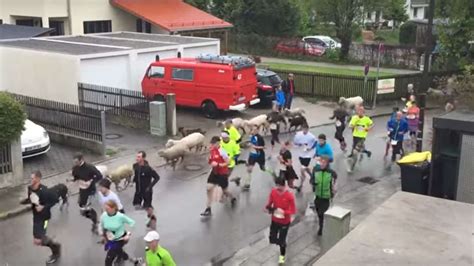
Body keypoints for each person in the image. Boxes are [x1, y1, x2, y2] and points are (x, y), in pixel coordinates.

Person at [20, 171, 61, 264]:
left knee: (39, 239)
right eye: (30, 178)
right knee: (37, 241)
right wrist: (24, 202)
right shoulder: (30, 188)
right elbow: (30, 198)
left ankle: (56, 251)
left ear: (38, 179)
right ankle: (54, 244)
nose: (31, 180)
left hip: (44, 218)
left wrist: (43, 207)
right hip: (36, 217)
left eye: (32, 178)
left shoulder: (45, 191)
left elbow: (55, 200)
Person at [201, 136, 237, 217]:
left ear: (218, 143)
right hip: (214, 173)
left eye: (213, 144)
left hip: (222, 174)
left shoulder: (222, 151)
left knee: (225, 191)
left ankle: (232, 198)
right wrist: (209, 160)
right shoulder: (212, 150)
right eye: (211, 144)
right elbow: (211, 161)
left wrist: (218, 164)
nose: (212, 145)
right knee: (209, 188)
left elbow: (228, 162)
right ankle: (208, 209)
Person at [265, 177, 296, 264]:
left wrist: (284, 212)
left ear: (284, 186)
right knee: (272, 239)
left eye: (280, 187)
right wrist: (268, 208)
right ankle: (282, 243)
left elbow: (293, 210)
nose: (278, 189)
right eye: (276, 186)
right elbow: (269, 203)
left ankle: (282, 256)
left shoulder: (289, 196)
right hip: (274, 220)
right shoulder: (273, 192)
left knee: (282, 241)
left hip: (284, 222)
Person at [72, 152, 103, 234]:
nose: (76, 164)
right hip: (82, 190)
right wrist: (73, 180)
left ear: (81, 160)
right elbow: (75, 176)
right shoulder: (75, 168)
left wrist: (92, 181)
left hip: (90, 190)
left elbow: (99, 176)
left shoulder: (90, 168)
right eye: (74, 162)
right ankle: (95, 220)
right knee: (82, 209)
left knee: (89, 207)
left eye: (77, 162)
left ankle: (95, 222)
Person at [100, 200, 135, 266]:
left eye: (107, 209)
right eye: (105, 209)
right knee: (119, 252)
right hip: (111, 240)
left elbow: (132, 223)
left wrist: (128, 235)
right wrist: (103, 236)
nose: (106, 211)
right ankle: (134, 261)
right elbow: (103, 226)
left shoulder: (120, 216)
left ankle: (133, 260)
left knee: (108, 261)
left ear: (113, 208)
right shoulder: (105, 216)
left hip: (119, 239)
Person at [311, 156, 337, 236]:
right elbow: (311, 179)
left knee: (322, 213)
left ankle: (321, 228)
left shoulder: (331, 172)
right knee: (319, 212)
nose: (322, 164)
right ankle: (321, 223)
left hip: (326, 197)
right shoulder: (316, 170)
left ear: (327, 163)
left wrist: (333, 189)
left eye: (324, 162)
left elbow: (335, 180)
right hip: (318, 196)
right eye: (321, 162)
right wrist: (313, 183)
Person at [293, 123, 316, 193]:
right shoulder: (298, 135)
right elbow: (295, 142)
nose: (305, 130)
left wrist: (310, 148)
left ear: (308, 129)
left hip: (308, 155)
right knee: (305, 168)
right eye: (303, 129)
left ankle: (301, 184)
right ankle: (312, 177)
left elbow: (315, 143)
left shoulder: (311, 136)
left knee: (302, 169)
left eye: (306, 129)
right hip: (301, 154)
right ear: (302, 129)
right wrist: (299, 144)